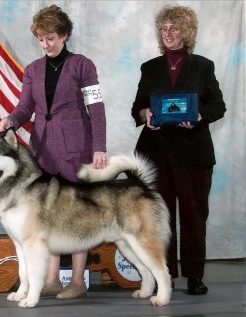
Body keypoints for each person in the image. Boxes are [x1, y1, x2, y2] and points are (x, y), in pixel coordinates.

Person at [0, 4, 107, 299]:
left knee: (77, 213)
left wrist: (99, 148)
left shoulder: (83, 65)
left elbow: (96, 109)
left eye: (51, 38)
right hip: (42, 150)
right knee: (47, 214)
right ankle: (52, 280)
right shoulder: (32, 70)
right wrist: (11, 119)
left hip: (76, 147)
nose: (45, 44)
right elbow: (24, 108)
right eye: (41, 39)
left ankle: (79, 282)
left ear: (65, 35)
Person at [131, 5, 226, 295]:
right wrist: (145, 113)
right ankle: (165, 274)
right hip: (157, 154)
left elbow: (217, 106)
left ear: (187, 32)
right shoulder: (150, 67)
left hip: (194, 155)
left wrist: (199, 116)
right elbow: (137, 107)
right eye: (164, 28)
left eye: (174, 28)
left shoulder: (203, 66)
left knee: (194, 216)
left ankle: (195, 276)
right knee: (161, 218)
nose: (168, 33)